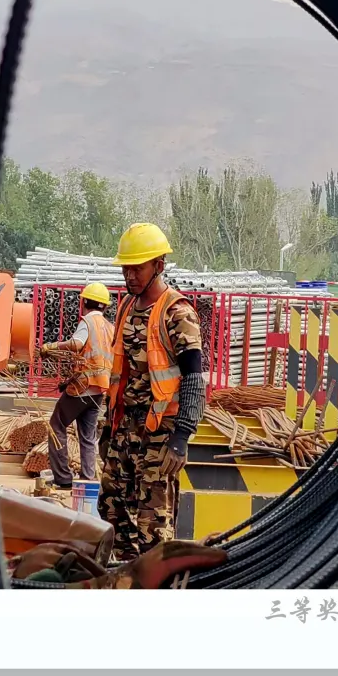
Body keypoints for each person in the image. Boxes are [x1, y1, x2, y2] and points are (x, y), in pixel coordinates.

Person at [98, 223, 205, 561]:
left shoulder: (177, 313)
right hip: (125, 427)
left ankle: (155, 584)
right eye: (125, 268)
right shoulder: (126, 307)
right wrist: (108, 427)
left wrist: (181, 437)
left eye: (137, 268)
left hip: (160, 434)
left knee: (152, 525)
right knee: (112, 510)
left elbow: (193, 379)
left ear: (159, 265)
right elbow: (120, 373)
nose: (129, 276)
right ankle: (126, 578)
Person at [41, 283, 115, 490]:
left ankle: (63, 478)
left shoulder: (88, 321)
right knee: (88, 436)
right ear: (105, 306)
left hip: (83, 387)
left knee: (56, 425)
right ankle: (87, 478)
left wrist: (52, 346)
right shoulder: (110, 328)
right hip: (100, 388)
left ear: (84, 302)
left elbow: (77, 344)